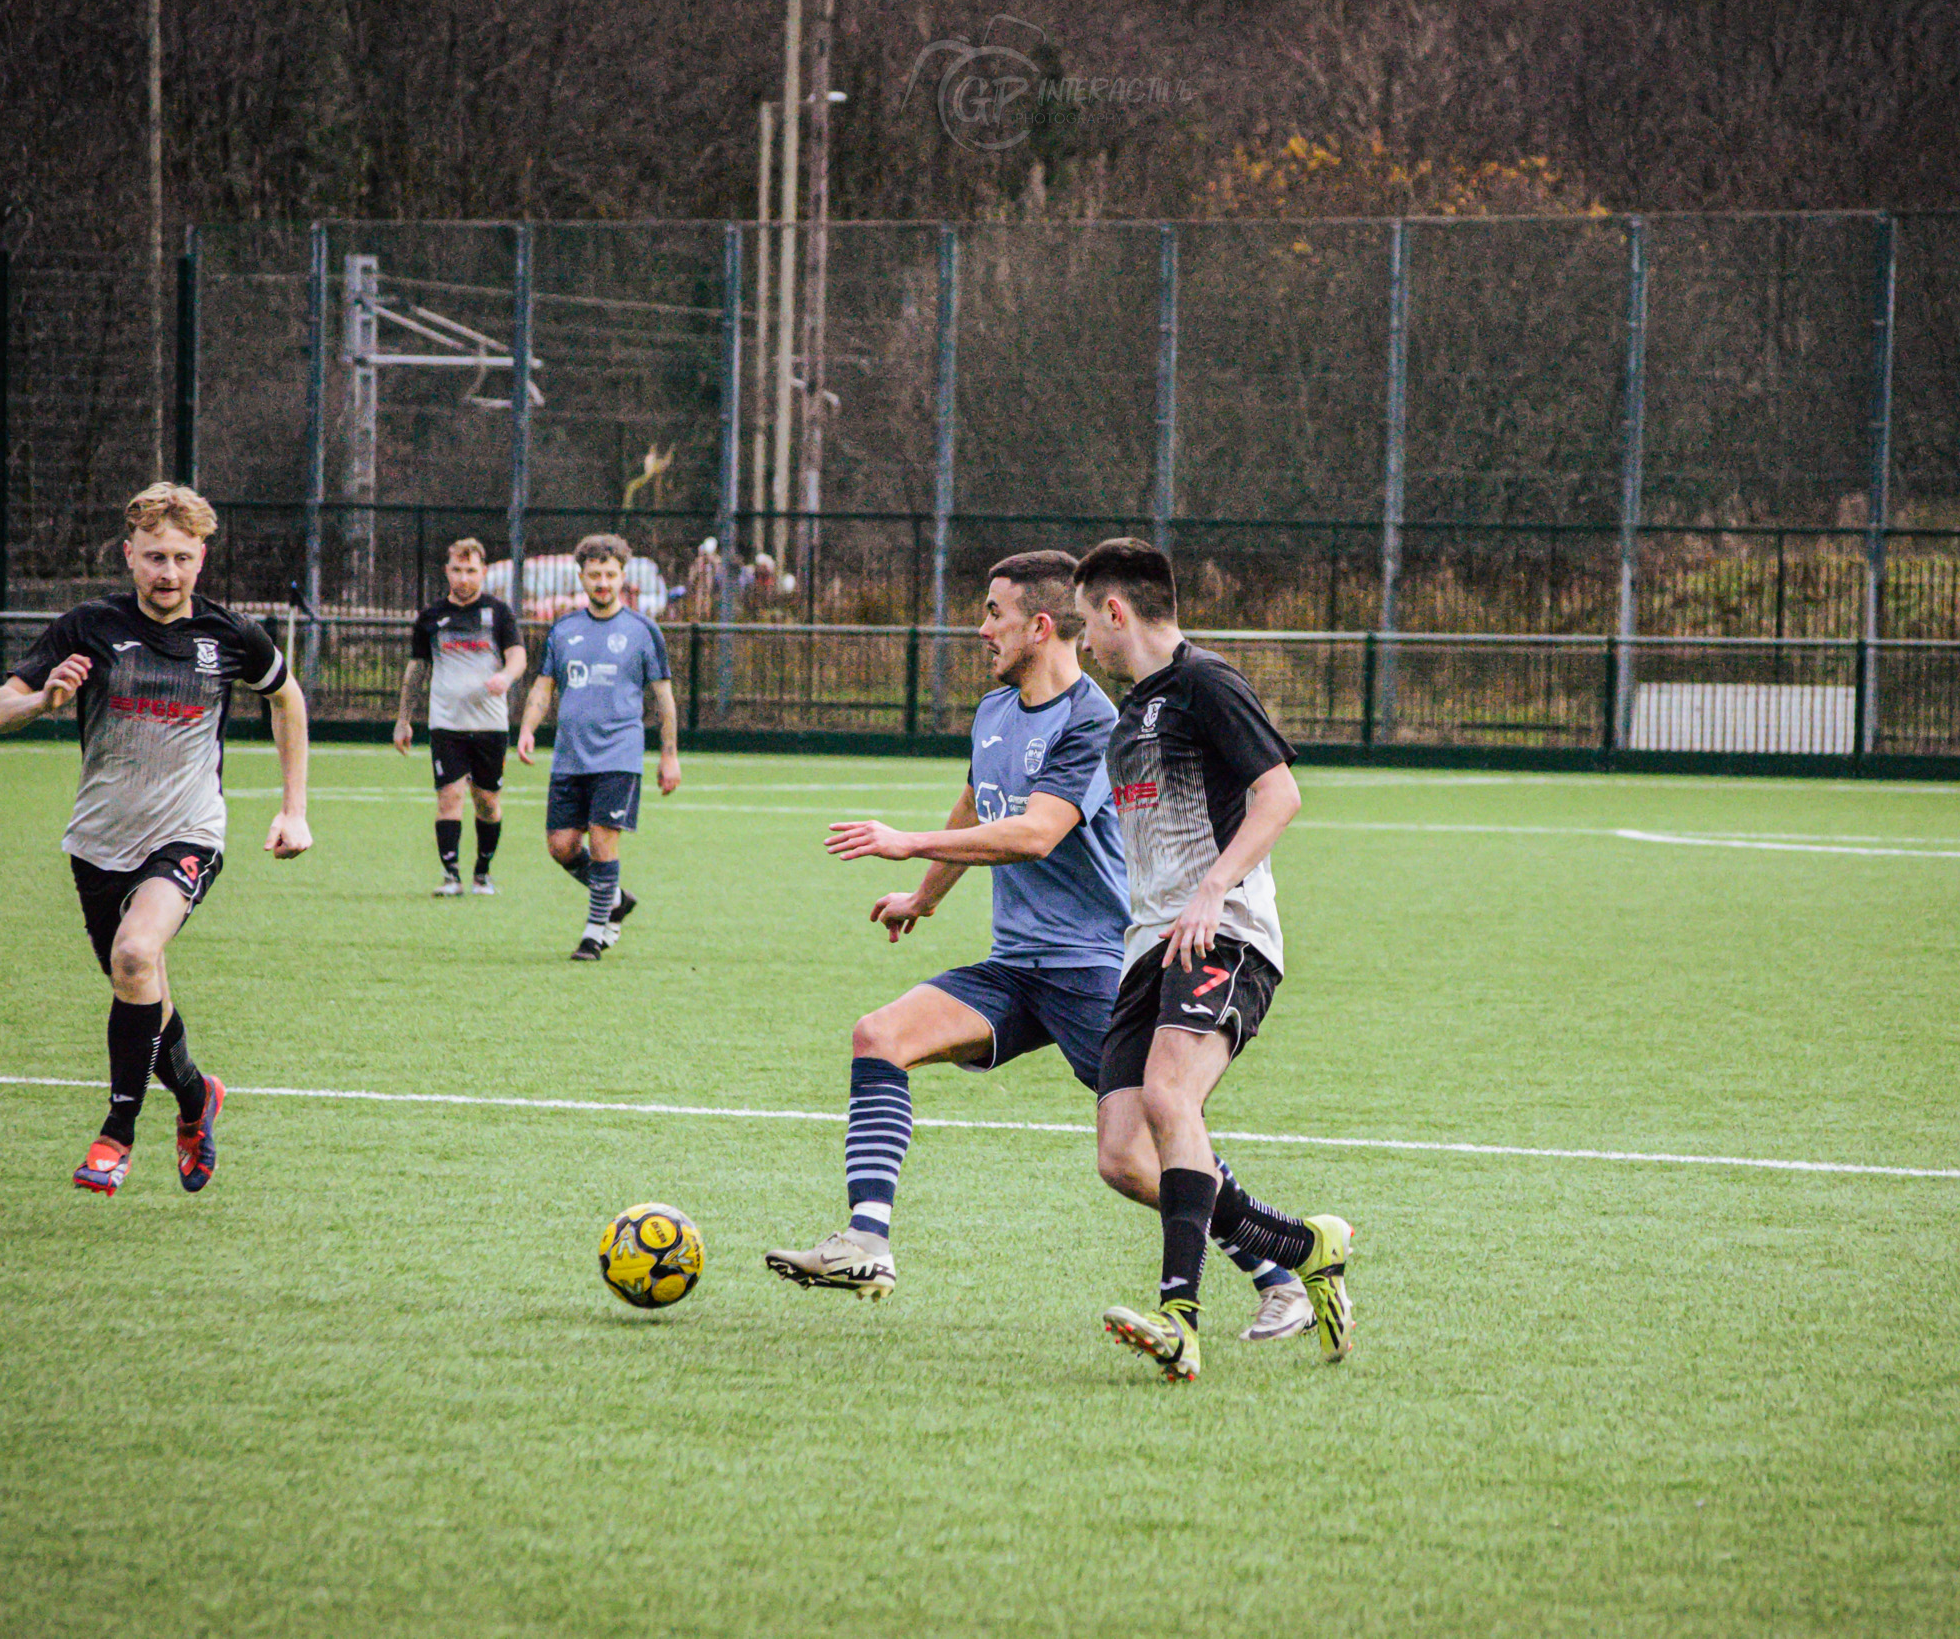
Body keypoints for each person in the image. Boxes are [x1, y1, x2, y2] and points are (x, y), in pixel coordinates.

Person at [771, 550, 1316, 1344]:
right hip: (1015, 966)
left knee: (1141, 1150)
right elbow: (977, 804)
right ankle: (866, 1240)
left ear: (1040, 623)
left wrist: (902, 841)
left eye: (993, 611)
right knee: (878, 1036)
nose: (981, 627)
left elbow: (1035, 831)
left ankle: (1280, 1275)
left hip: (1095, 967)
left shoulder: (1098, 720)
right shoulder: (995, 712)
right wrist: (923, 895)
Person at [1071, 536, 1352, 1384]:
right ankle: (1305, 1247)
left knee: (1168, 1094)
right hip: (1149, 948)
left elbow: (1281, 793)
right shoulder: (1128, 717)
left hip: (1223, 932)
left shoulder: (1206, 682)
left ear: (1116, 611)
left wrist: (1212, 887)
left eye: (1087, 623)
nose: (1085, 643)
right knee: (1123, 1155)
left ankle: (1179, 1319)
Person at [0, 483, 312, 1195]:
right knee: (139, 986)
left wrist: (295, 809)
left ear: (202, 560)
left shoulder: (229, 635)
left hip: (189, 830)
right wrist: (43, 699)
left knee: (136, 952)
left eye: (182, 558)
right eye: (154, 556)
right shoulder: (89, 626)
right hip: (99, 841)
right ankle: (196, 1099)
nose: (168, 572)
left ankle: (116, 1133)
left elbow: (287, 697)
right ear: (128, 556)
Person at [515, 534, 679, 962]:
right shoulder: (565, 630)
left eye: (610, 574)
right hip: (570, 756)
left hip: (619, 755)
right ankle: (615, 899)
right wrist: (528, 727)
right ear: (582, 577)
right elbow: (544, 685)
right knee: (562, 846)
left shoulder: (643, 632)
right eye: (594, 575)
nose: (602, 582)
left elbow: (664, 697)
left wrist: (669, 754)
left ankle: (595, 932)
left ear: (623, 576)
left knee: (605, 843)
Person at [394, 537, 525, 895]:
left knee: (487, 801)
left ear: (483, 571)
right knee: (449, 797)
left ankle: (482, 871)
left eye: (471, 570)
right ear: (447, 571)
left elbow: (518, 657)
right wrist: (404, 719)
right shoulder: (431, 618)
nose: (464, 578)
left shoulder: (499, 613)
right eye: (457, 570)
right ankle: (451, 875)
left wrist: (506, 677)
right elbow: (416, 671)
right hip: (446, 724)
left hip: (490, 726)